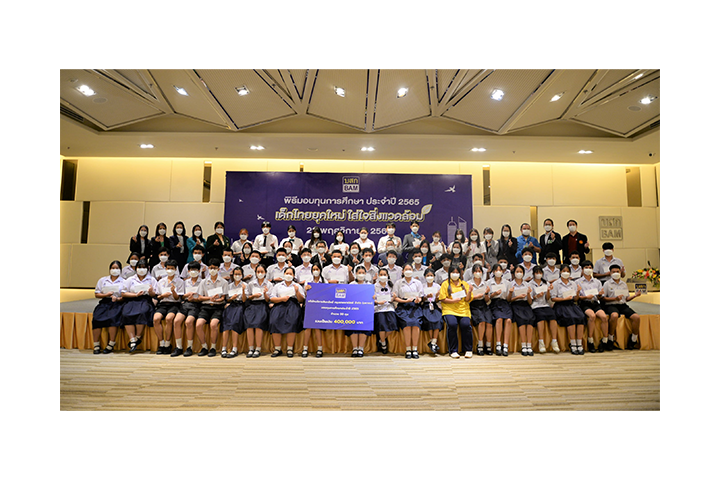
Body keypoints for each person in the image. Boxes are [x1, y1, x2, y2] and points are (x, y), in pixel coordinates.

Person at [120, 259, 158, 353]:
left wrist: (151, 292)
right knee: (126, 313)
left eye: (144, 267)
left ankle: (137, 337)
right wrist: (136, 295)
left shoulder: (151, 279)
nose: (141, 269)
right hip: (133, 299)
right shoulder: (130, 279)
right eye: (139, 267)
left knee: (142, 312)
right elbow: (123, 293)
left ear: (147, 268)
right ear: (136, 268)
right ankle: (132, 339)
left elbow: (155, 295)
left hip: (145, 300)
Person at [602, 264, 643, 350]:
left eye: (617, 271)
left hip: (622, 305)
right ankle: (610, 338)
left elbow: (626, 299)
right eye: (613, 272)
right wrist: (615, 298)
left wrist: (635, 296)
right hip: (611, 304)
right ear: (610, 273)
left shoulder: (623, 284)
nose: (616, 273)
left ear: (620, 272)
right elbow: (603, 298)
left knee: (636, 317)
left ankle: (633, 339)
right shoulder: (607, 284)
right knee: (614, 316)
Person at [268, 266, 305, 358]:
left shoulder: (297, 286)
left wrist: (297, 292)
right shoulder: (277, 286)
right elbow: (272, 298)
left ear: (294, 276)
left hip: (292, 305)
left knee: (292, 322)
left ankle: (289, 348)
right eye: (287, 273)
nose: (288, 275)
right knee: (274, 322)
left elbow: (301, 300)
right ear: (284, 274)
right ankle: (277, 348)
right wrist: (281, 299)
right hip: (279, 304)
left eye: (290, 274)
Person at [438, 265, 473, 358]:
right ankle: (453, 350)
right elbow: (442, 298)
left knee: (466, 325)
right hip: (449, 310)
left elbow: (467, 299)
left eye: (457, 272)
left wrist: (469, 291)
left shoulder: (464, 284)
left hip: (463, 310)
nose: (455, 274)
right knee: (452, 324)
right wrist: (453, 301)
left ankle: (468, 349)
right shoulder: (445, 284)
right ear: (449, 273)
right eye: (453, 272)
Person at [195, 258, 228, 357]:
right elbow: (199, 297)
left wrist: (217, 300)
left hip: (217, 307)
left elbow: (223, 298)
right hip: (205, 306)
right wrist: (210, 298)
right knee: (198, 324)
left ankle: (213, 347)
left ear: (218, 269)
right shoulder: (203, 282)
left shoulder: (224, 282)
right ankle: (204, 346)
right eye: (211, 268)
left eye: (214, 268)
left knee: (213, 324)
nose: (212, 270)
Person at [550, 264, 586, 354]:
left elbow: (575, 299)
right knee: (571, 317)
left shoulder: (573, 283)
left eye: (568, 271)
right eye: (564, 271)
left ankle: (579, 343)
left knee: (581, 317)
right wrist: (564, 299)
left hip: (571, 304)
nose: (566, 273)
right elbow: (553, 298)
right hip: (561, 305)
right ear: (560, 272)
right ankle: (572, 343)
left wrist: (578, 292)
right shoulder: (556, 284)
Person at [170, 261, 203, 357]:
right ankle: (179, 347)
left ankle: (189, 347)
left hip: (196, 305)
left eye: (195, 270)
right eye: (191, 270)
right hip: (185, 304)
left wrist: (195, 298)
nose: (193, 271)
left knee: (188, 322)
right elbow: (182, 296)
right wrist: (186, 295)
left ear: (199, 271)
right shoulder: (185, 282)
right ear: (188, 271)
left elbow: (203, 296)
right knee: (176, 321)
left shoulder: (202, 282)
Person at [91, 261, 125, 354]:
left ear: (120, 270)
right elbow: (97, 294)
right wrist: (106, 294)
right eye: (113, 268)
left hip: (117, 303)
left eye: (117, 268)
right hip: (104, 302)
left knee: (113, 318)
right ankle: (96, 344)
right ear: (109, 269)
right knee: (96, 318)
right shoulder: (103, 280)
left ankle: (111, 343)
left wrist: (117, 299)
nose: (115, 270)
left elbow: (124, 296)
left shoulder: (123, 281)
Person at [152, 260, 184, 354]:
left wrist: (173, 292)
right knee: (156, 319)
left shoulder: (180, 281)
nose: (170, 270)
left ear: (176, 269)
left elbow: (178, 298)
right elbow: (158, 296)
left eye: (172, 268)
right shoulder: (161, 281)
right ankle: (161, 343)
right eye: (168, 268)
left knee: (169, 319)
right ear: (165, 269)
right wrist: (162, 296)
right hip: (163, 304)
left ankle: (167, 343)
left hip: (174, 304)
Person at [577, 261, 609, 353]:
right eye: (586, 268)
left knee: (604, 317)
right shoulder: (578, 282)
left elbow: (599, 297)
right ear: (582, 269)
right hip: (584, 303)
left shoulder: (597, 282)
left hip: (595, 302)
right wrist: (586, 297)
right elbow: (577, 297)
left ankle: (604, 340)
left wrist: (600, 294)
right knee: (592, 316)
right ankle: (590, 340)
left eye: (590, 268)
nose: (588, 269)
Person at [394, 264, 424, 358]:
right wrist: (405, 301)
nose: (408, 271)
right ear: (402, 271)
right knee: (407, 324)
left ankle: (414, 349)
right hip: (403, 306)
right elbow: (395, 297)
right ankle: (408, 349)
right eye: (406, 269)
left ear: (412, 271)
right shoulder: (398, 283)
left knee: (415, 324)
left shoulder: (418, 283)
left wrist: (419, 300)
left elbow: (421, 296)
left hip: (415, 306)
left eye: (410, 269)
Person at [528, 265, 559, 354]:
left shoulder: (546, 283)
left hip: (545, 304)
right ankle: (541, 342)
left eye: (540, 273)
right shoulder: (530, 284)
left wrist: (548, 291)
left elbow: (548, 298)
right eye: (537, 273)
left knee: (552, 316)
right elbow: (530, 300)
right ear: (533, 274)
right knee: (540, 317)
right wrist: (536, 296)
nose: (538, 274)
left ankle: (554, 341)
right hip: (536, 306)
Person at [243, 264, 271, 358]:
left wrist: (265, 294)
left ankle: (258, 349)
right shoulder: (251, 284)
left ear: (265, 273)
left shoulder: (269, 284)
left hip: (263, 305)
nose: (260, 273)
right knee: (249, 325)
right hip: (252, 304)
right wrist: (253, 296)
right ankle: (251, 348)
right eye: (258, 272)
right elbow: (247, 297)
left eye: (262, 272)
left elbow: (268, 300)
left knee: (258, 325)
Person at [346, 265, 374, 357]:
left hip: (365, 311)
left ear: (366, 274)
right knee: (353, 328)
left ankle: (361, 348)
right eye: (359, 273)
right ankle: (355, 348)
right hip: (353, 311)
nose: (361, 274)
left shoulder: (369, 285)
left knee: (363, 328)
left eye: (363, 273)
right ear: (355, 274)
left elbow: (374, 298)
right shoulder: (351, 285)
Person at [508, 265, 535, 356]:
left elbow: (530, 302)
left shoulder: (527, 285)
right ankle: (523, 345)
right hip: (516, 305)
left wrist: (528, 294)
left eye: (521, 272)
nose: (519, 273)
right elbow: (509, 300)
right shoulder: (510, 284)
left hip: (525, 305)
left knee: (530, 319)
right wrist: (517, 297)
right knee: (522, 319)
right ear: (514, 273)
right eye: (517, 271)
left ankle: (529, 345)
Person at [487, 264, 512, 356]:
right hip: (494, 303)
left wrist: (511, 293)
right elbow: (487, 298)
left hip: (504, 303)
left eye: (500, 270)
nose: (498, 272)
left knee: (508, 320)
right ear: (493, 272)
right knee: (499, 319)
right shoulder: (489, 282)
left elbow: (508, 299)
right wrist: (493, 294)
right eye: (496, 270)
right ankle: (498, 344)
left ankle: (505, 345)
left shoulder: (507, 283)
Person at [467, 264, 492, 356]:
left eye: (479, 271)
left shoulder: (485, 284)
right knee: (481, 321)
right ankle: (480, 344)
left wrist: (486, 294)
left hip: (483, 304)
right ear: (473, 272)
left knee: (489, 322)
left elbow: (487, 300)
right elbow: (466, 299)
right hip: (473, 305)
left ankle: (488, 345)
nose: (478, 273)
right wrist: (474, 296)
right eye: (476, 271)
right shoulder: (468, 283)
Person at [301, 263, 325, 358]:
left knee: (317, 327)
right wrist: (306, 290)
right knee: (308, 328)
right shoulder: (308, 281)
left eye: (317, 269)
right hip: (310, 306)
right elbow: (304, 295)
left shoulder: (324, 281)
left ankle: (320, 349)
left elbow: (327, 294)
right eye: (314, 269)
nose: (315, 271)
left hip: (320, 307)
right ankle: (305, 348)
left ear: (320, 270)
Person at [221, 267, 245, 358]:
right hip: (231, 305)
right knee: (226, 325)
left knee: (235, 324)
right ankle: (224, 348)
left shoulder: (245, 285)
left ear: (242, 275)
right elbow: (227, 299)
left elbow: (244, 300)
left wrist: (243, 290)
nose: (237, 276)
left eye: (239, 274)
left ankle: (234, 349)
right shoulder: (229, 285)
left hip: (240, 305)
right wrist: (231, 298)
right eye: (235, 274)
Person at [373, 268, 398, 354]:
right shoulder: (374, 286)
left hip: (389, 307)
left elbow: (392, 298)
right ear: (378, 276)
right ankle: (383, 344)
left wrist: (393, 297)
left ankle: (381, 340)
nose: (383, 276)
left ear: (388, 276)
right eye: (381, 275)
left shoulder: (391, 285)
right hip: (378, 309)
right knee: (382, 326)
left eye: (385, 275)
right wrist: (377, 302)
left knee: (393, 325)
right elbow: (372, 299)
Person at [420, 268, 443, 355]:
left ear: (434, 276)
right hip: (426, 305)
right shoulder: (422, 286)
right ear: (425, 276)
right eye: (428, 275)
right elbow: (421, 299)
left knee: (438, 319)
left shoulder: (437, 286)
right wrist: (426, 297)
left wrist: (436, 297)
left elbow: (438, 300)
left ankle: (433, 342)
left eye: (431, 275)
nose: (429, 277)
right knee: (429, 320)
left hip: (434, 305)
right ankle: (431, 341)